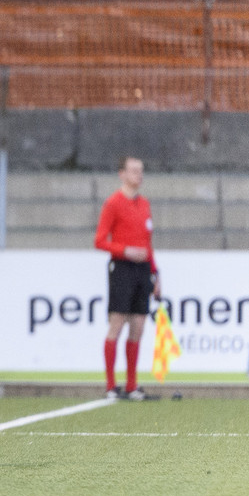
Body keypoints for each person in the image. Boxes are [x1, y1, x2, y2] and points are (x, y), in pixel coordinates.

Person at [94, 156, 161, 401]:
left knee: (139, 326)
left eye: (141, 171)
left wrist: (155, 273)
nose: (138, 175)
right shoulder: (113, 203)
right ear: (122, 174)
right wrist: (125, 250)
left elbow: (148, 242)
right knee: (117, 323)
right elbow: (99, 240)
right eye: (134, 171)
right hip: (122, 268)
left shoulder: (144, 204)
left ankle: (132, 385)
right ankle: (111, 386)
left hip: (143, 270)